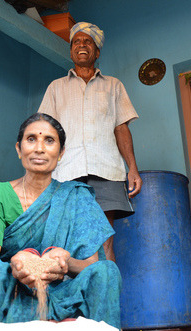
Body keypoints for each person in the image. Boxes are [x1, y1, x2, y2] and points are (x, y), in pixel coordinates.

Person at [0, 113, 121, 328]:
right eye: (31, 139)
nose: (39, 148)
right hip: (15, 287)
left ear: (61, 152)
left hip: (64, 292)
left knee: (107, 271)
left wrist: (65, 263)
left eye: (49, 140)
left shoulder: (77, 196)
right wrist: (17, 263)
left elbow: (91, 265)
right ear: (19, 149)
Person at [38, 22, 142, 261]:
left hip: (106, 170)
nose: (81, 45)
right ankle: (75, 297)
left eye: (88, 42)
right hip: (66, 172)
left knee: (105, 241)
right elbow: (45, 131)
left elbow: (121, 127)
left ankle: (105, 296)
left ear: (96, 52)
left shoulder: (113, 85)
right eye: (76, 41)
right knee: (67, 240)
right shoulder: (56, 88)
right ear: (71, 50)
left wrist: (132, 168)